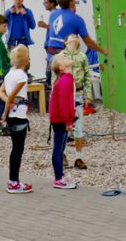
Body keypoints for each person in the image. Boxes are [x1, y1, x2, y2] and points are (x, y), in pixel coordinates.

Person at [0, 45, 31, 193]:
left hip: (12, 115)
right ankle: (13, 182)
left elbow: (1, 92)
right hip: (18, 115)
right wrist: (5, 111)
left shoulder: (10, 73)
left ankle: (14, 180)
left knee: (15, 149)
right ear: (26, 60)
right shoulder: (22, 77)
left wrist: (7, 103)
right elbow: (12, 96)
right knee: (18, 149)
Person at [46, 0, 108, 66]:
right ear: (71, 2)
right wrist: (103, 51)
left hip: (51, 58)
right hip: (65, 60)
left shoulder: (53, 14)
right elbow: (89, 43)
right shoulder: (77, 19)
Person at [61, 34, 91, 169]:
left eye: (75, 38)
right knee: (63, 127)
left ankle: (79, 157)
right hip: (65, 95)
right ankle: (62, 155)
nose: (74, 40)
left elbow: (87, 77)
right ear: (65, 42)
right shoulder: (60, 57)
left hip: (78, 95)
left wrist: (88, 95)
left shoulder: (82, 57)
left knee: (79, 128)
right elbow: (55, 78)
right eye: (71, 39)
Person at [49, 53, 77, 189]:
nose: (67, 57)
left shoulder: (65, 79)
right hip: (60, 119)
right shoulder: (65, 81)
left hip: (60, 117)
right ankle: (58, 178)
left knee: (61, 148)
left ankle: (60, 174)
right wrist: (68, 121)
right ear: (61, 67)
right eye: (64, 58)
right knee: (58, 149)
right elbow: (64, 102)